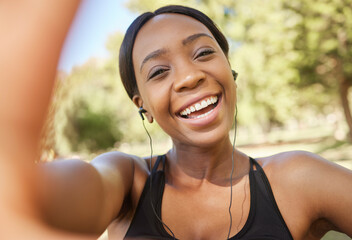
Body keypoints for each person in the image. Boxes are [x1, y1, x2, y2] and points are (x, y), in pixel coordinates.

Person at [1, 3, 352, 240]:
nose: (188, 77)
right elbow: (38, 198)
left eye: (202, 52)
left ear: (229, 71)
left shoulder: (299, 179)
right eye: (158, 71)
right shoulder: (127, 181)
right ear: (143, 106)